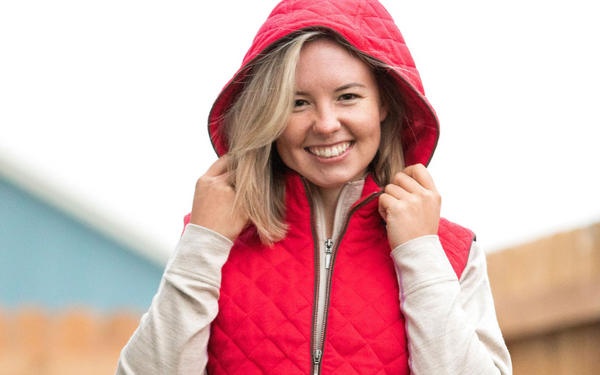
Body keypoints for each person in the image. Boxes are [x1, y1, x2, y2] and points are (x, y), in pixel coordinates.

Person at [116, 0, 512, 374]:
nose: (325, 124)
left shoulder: (450, 249)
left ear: (383, 104)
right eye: (297, 102)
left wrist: (421, 253)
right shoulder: (214, 236)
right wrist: (202, 244)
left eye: (348, 97)